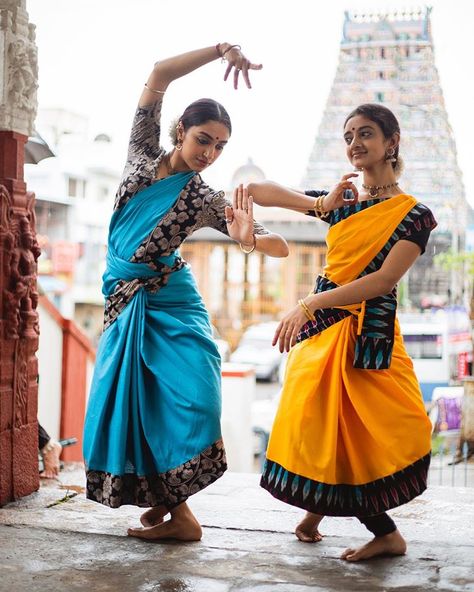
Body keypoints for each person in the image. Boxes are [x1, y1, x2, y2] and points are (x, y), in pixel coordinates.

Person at [83, 43, 289, 542]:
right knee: (134, 399)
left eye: (220, 146)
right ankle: (169, 508)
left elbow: (280, 247)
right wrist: (221, 50)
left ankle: (180, 514)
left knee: (190, 400)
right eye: (204, 140)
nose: (210, 154)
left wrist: (248, 239)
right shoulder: (139, 154)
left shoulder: (202, 197)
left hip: (172, 303)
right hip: (126, 298)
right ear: (180, 130)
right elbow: (158, 72)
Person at [250, 103, 437, 561]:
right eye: (349, 135)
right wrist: (319, 204)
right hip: (322, 331)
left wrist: (309, 303)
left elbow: (382, 281)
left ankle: (386, 533)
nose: (355, 144)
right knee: (316, 422)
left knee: (360, 431)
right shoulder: (344, 203)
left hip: (363, 335)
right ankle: (318, 511)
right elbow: (258, 191)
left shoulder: (415, 215)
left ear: (392, 142)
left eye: (366, 134)